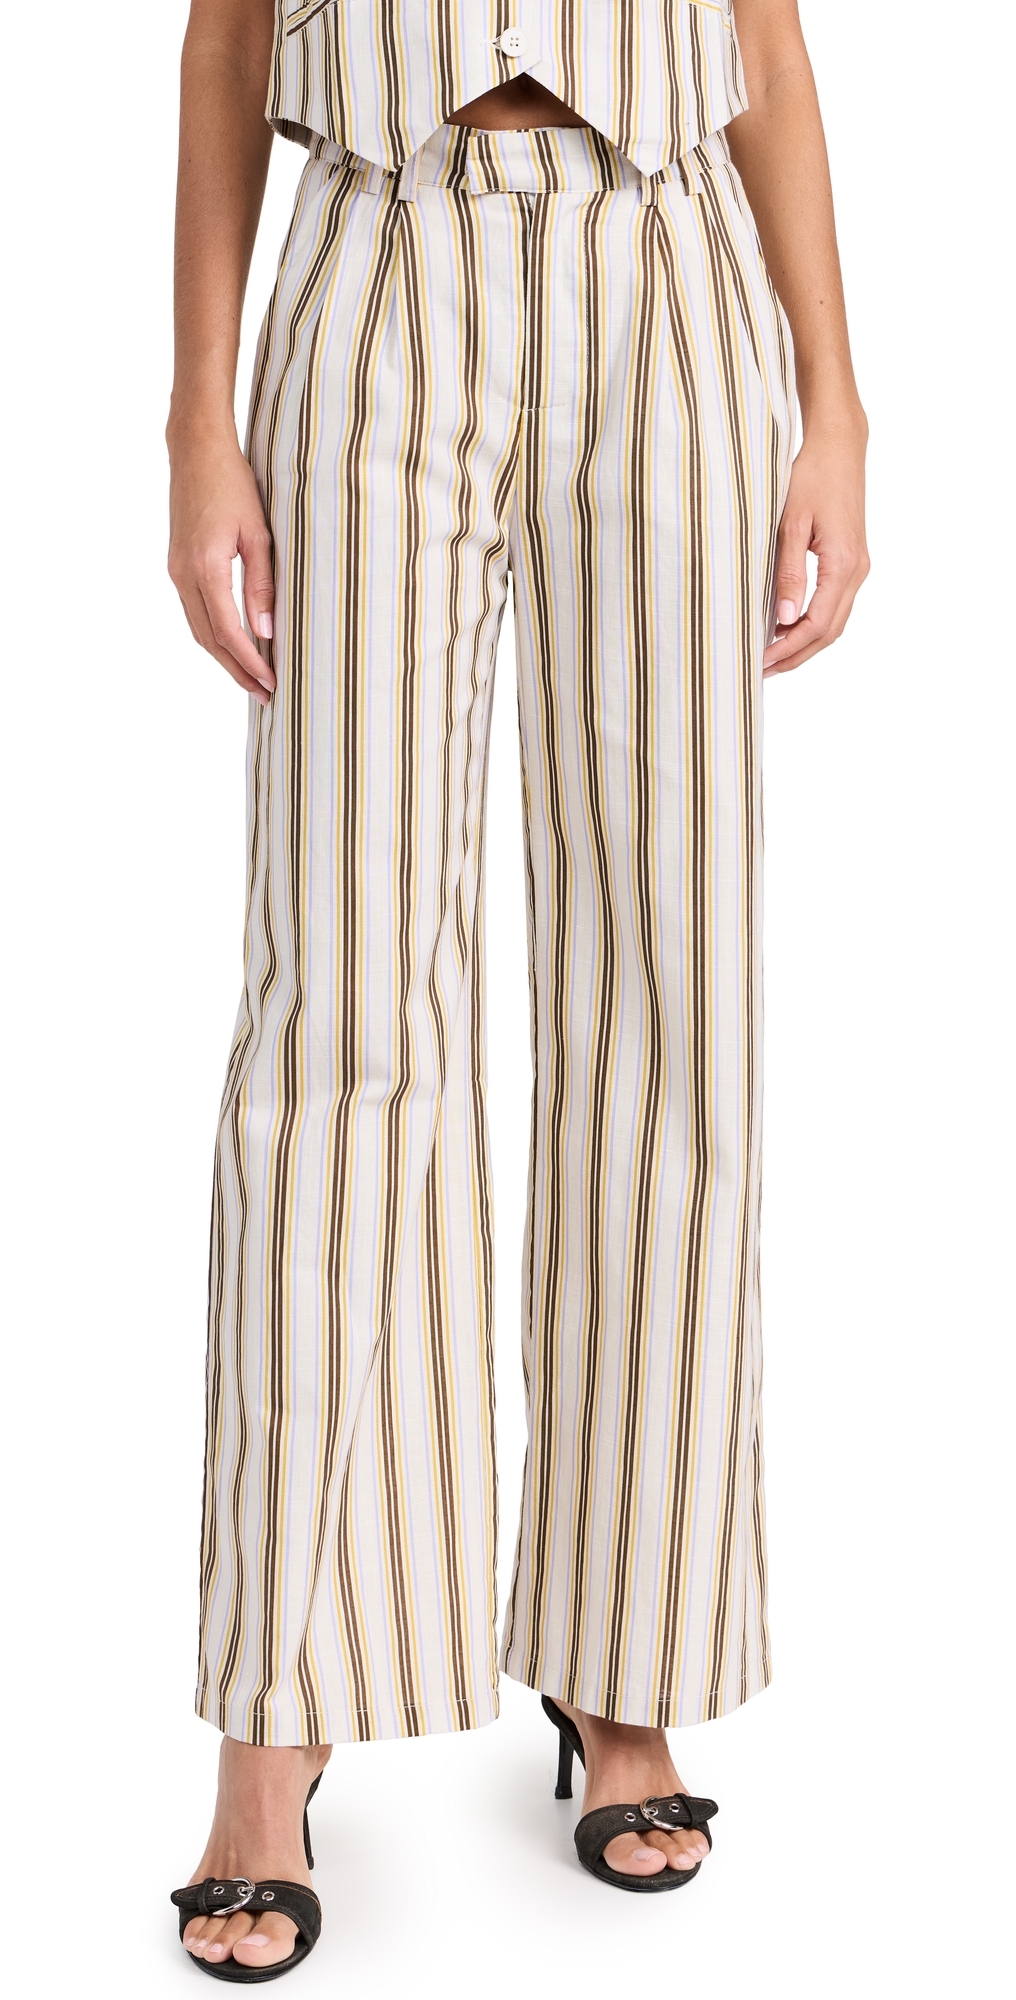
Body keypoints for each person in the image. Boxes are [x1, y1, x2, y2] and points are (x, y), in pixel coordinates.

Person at [167, 0, 868, 1977]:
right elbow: (225, 40)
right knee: (337, 1011)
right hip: (374, 261)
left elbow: (765, 36)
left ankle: (622, 1657)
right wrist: (196, 419)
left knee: (672, 1000)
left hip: (667, 279)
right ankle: (278, 1705)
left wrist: (837, 403)